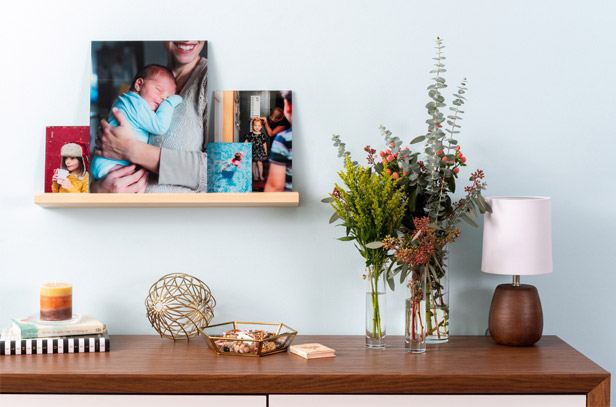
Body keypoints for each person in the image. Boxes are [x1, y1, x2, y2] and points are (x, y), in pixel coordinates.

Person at [92, 41, 208, 193]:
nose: (186, 38)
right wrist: (98, 190)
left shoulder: (210, 79)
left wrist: (130, 149)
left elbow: (226, 169)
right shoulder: (155, 77)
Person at [90, 64, 182, 179]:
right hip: (111, 165)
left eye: (167, 97)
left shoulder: (125, 100)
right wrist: (171, 102)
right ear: (139, 84)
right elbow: (160, 126)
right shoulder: (137, 105)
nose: (163, 99)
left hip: (106, 163)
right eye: (159, 90)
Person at [265, 91, 292, 192]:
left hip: (277, 144)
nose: (271, 121)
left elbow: (271, 133)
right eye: (270, 119)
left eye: (273, 121)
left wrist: (266, 123)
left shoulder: (284, 124)